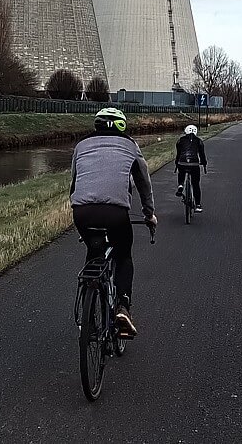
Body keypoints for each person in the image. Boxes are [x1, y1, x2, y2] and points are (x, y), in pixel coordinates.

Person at [70, 108, 158, 337]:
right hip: (116, 213)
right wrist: (149, 214)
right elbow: (143, 182)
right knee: (123, 254)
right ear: (122, 126)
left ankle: (88, 322)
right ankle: (123, 308)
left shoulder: (81, 146)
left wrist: (81, 213)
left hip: (81, 212)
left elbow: (75, 181)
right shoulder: (130, 146)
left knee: (94, 251)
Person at [175, 124, 207, 212]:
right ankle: (198, 205)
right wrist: (204, 163)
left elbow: (178, 154)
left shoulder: (180, 140)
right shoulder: (199, 141)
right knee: (195, 184)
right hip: (194, 164)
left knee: (181, 172)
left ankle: (181, 185)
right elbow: (202, 155)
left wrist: (176, 163)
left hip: (182, 162)